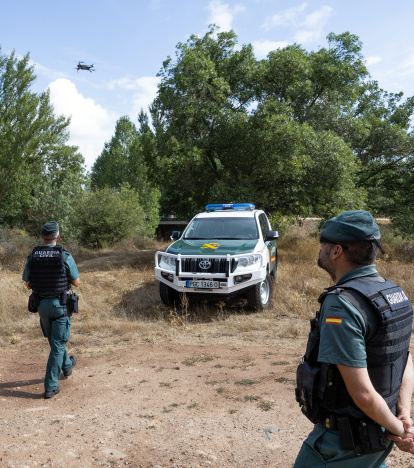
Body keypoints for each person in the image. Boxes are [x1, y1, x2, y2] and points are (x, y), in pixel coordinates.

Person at [294, 210, 414, 467]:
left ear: (337, 251)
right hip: (377, 434)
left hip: (341, 445)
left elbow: (363, 394)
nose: (320, 249)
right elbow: (405, 357)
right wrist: (402, 415)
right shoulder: (394, 293)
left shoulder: (342, 304)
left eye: (323, 244)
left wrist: (402, 432)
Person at [22, 221, 80, 399]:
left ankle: (67, 367)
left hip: (41, 306)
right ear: (58, 236)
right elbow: (76, 282)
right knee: (57, 345)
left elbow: (27, 284)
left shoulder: (33, 256)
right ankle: (50, 386)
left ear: (41, 237)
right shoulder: (64, 255)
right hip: (60, 305)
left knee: (55, 341)